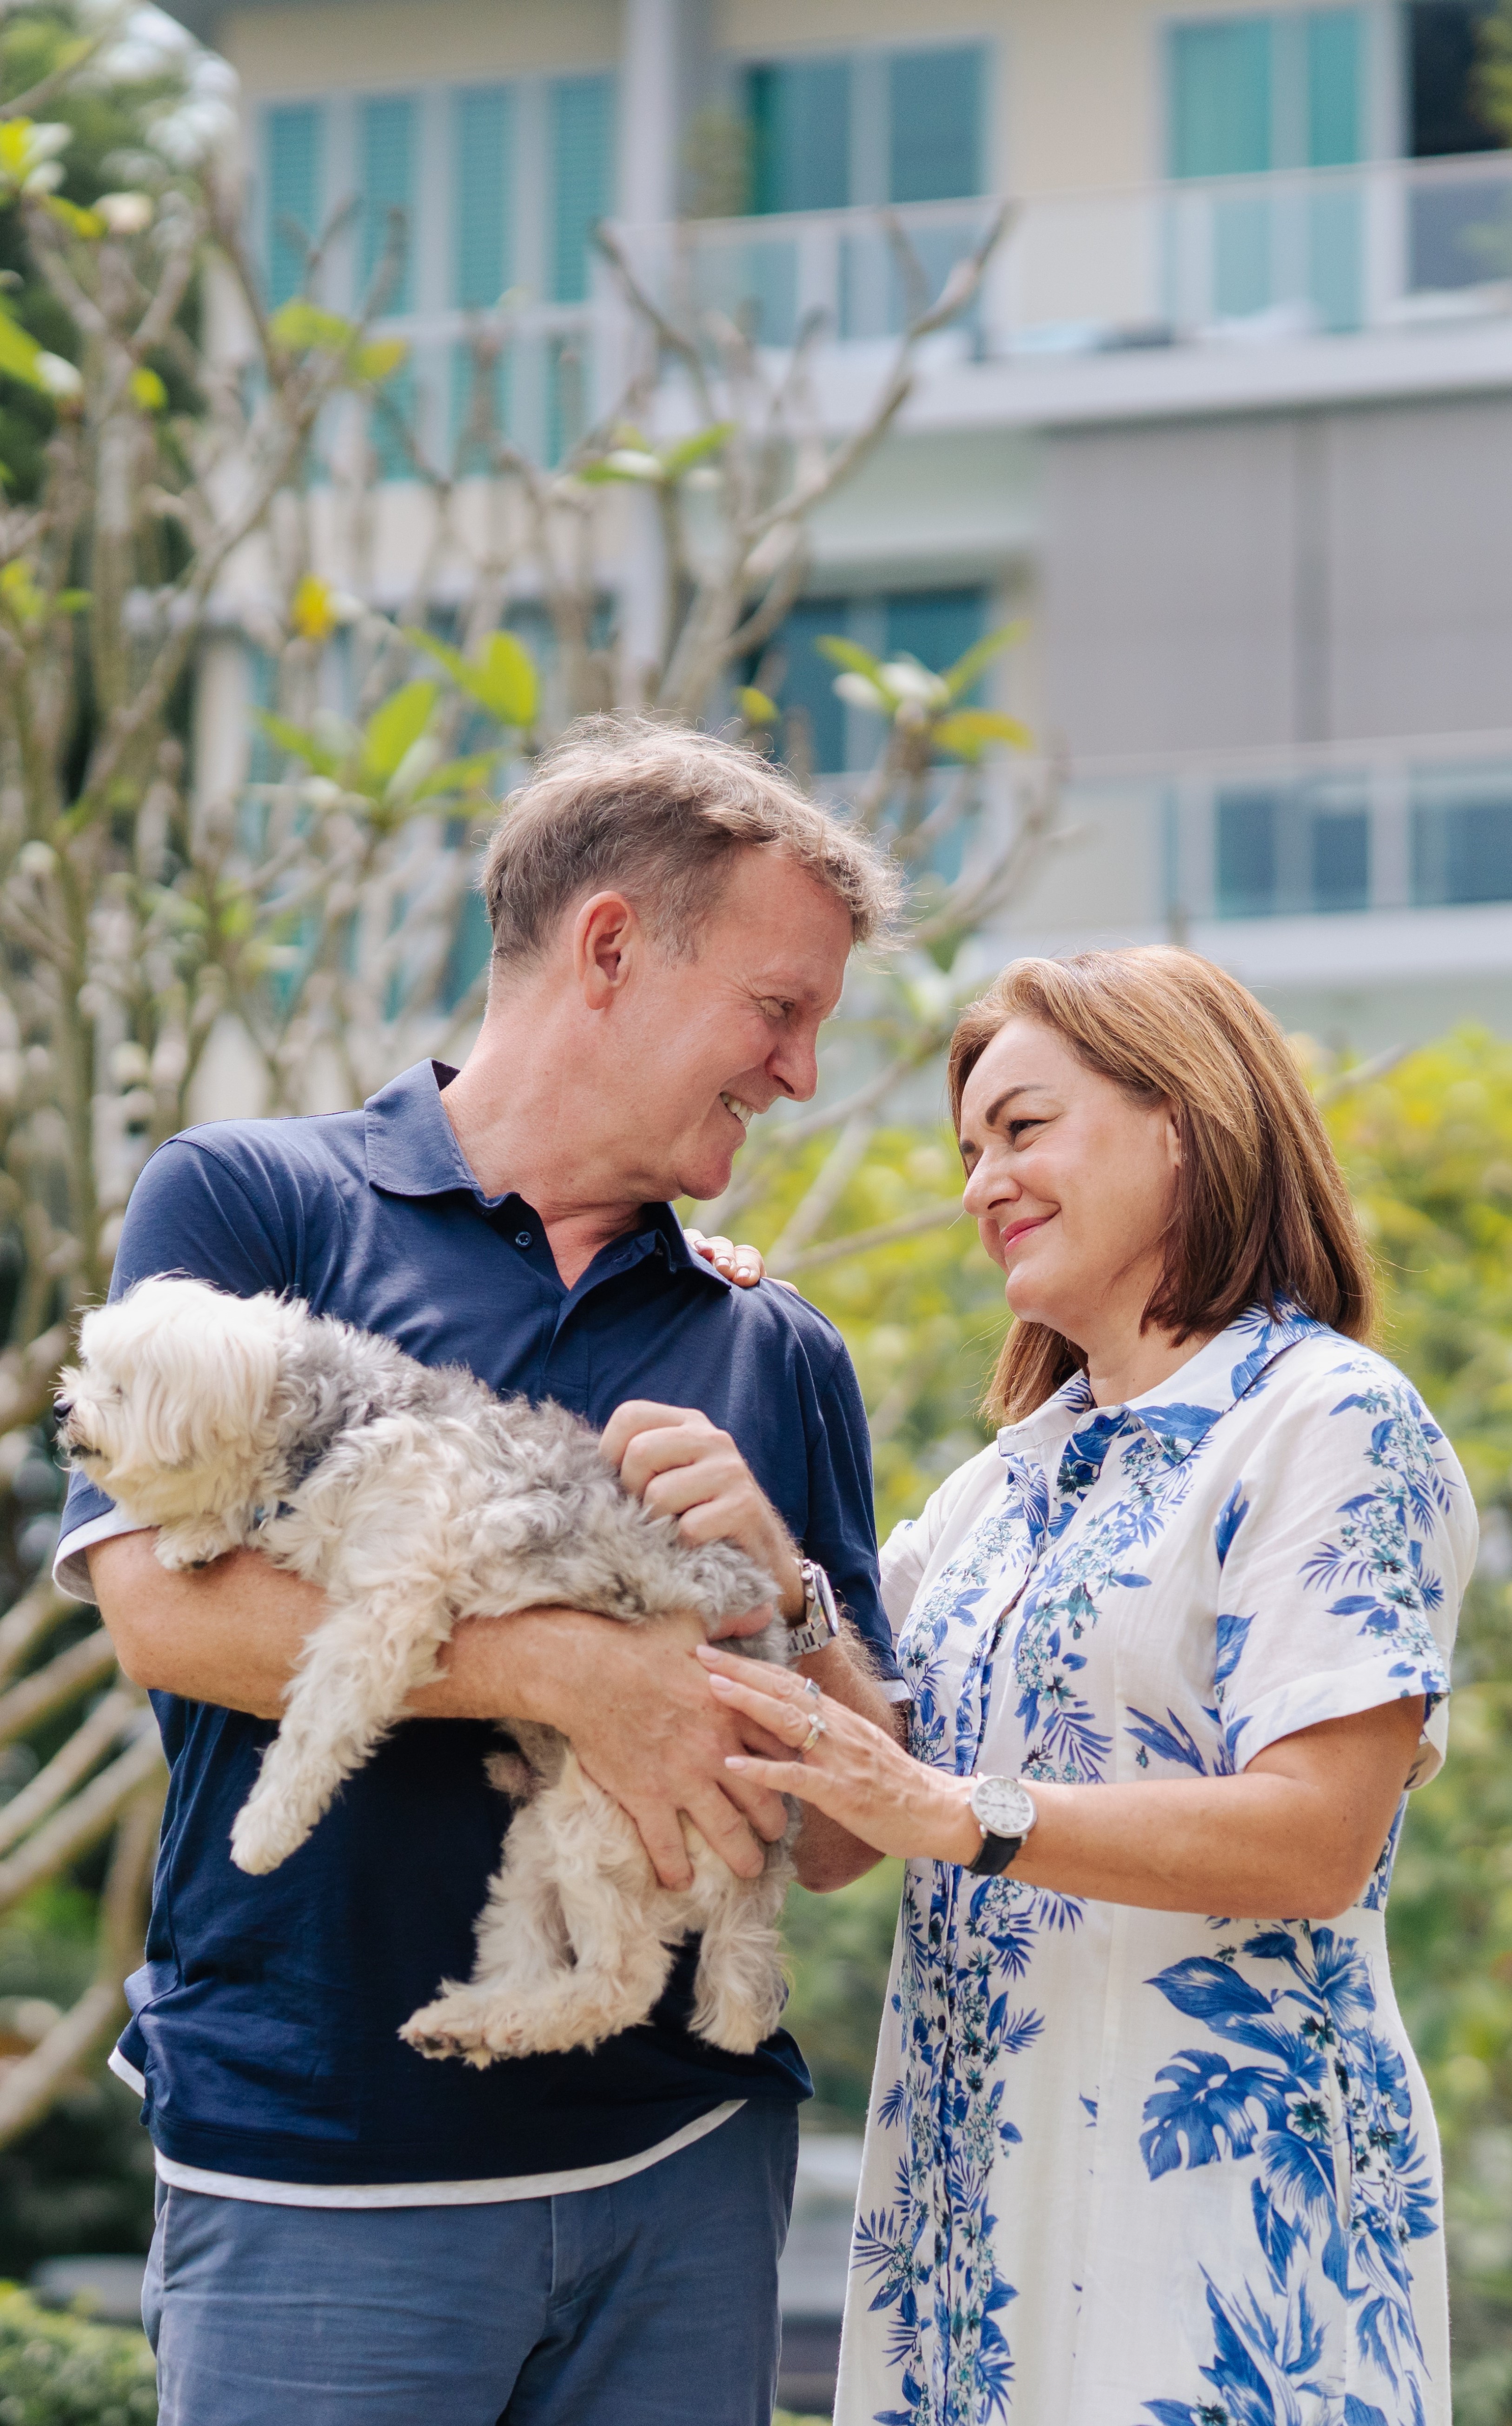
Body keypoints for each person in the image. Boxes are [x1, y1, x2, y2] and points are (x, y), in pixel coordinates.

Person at [54, 717, 907, 2426]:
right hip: (322, 2170)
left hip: (686, 2172)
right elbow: (161, 1605)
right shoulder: (254, 1208)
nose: (799, 1070)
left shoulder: (774, 1348)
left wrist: (789, 1593)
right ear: (609, 948)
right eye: (778, 1006)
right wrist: (567, 1671)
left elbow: (835, 1839)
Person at [701, 945, 1475, 2426]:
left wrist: (965, 1814)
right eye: (969, 1149)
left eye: (1023, 1128)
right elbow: (841, 1810)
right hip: (967, 2243)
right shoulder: (1000, 1488)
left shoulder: (1326, 1421)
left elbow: (1316, 1838)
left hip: (1221, 2251)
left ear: (1180, 1116)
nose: (981, 1180)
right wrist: (716, 1336)